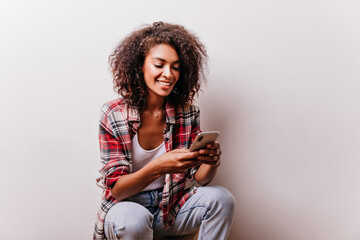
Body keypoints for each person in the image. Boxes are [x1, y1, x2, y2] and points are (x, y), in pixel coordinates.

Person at [94, 21, 235, 240]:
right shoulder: (114, 114)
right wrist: (158, 167)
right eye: (159, 64)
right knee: (134, 220)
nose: (168, 74)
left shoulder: (187, 113)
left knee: (221, 198)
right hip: (126, 209)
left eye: (176, 67)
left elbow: (199, 179)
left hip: (170, 208)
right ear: (139, 65)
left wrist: (210, 162)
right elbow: (117, 190)